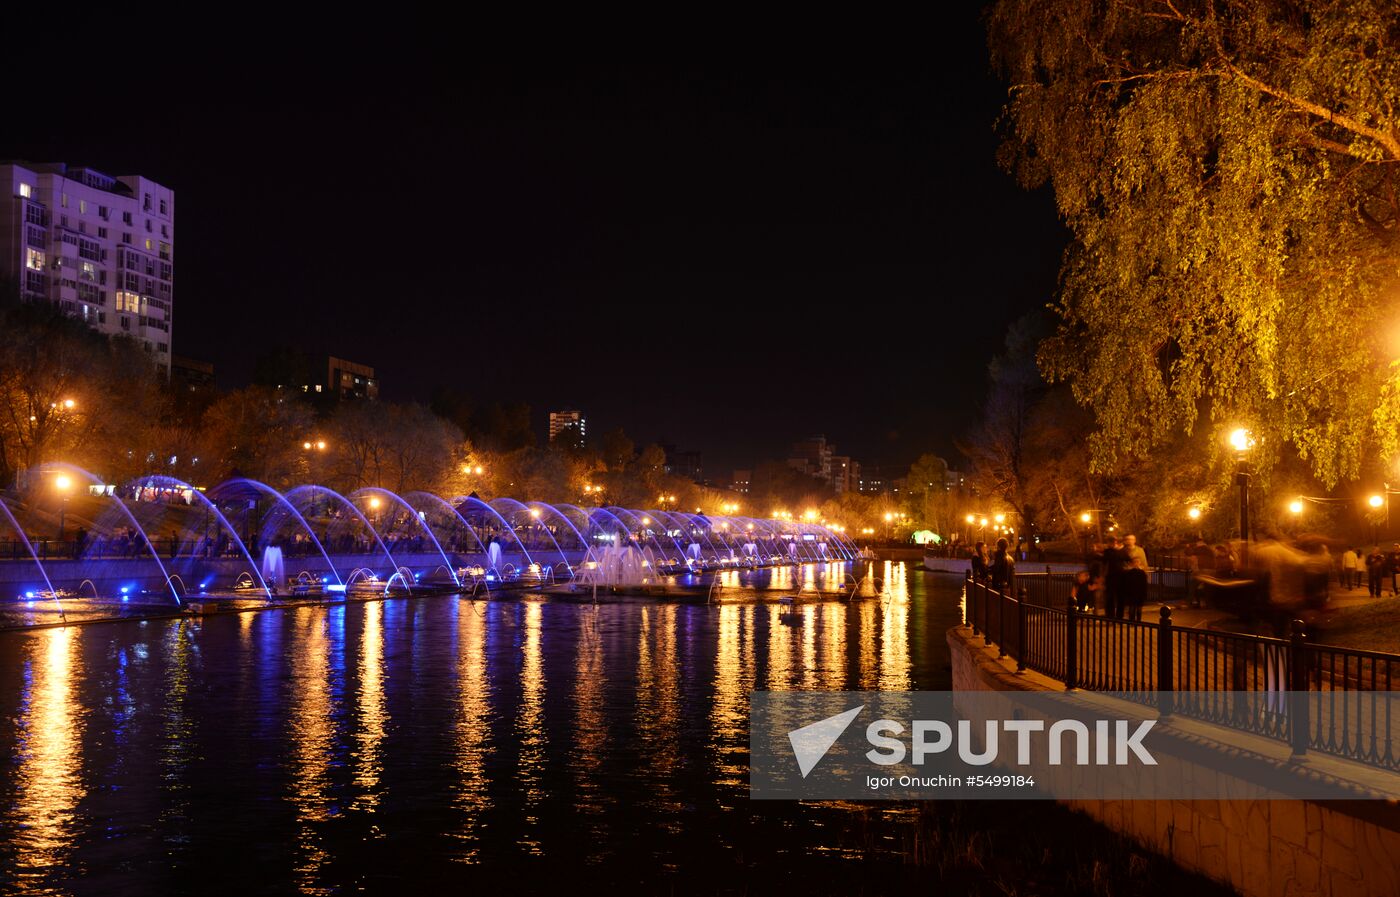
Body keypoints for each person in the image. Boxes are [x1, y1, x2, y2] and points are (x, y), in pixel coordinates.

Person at [1101, 536, 1127, 618]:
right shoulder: (1109, 551)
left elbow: (1127, 559)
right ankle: (1114, 616)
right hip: (1115, 577)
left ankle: (1113, 615)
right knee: (1113, 597)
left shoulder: (1113, 551)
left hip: (1116, 577)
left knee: (1116, 597)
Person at [1122, 555, 1148, 621]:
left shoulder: (1142, 573)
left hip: (1139, 593)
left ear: (1139, 563)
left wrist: (1144, 593)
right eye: (1135, 562)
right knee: (1132, 608)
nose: (1136, 563)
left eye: (1137, 562)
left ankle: (1138, 620)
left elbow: (1144, 584)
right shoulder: (1130, 573)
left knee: (1139, 609)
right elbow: (1126, 584)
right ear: (1132, 563)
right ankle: (1132, 621)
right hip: (1132, 593)